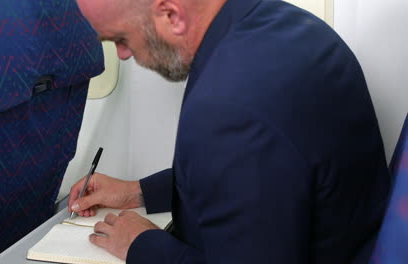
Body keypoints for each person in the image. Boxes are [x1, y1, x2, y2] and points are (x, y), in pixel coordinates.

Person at [69, 0, 391, 263]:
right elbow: (266, 176)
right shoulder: (280, 22)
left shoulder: (228, 107)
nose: (122, 54)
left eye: (120, 39)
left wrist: (141, 245)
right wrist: (138, 191)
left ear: (170, 15)